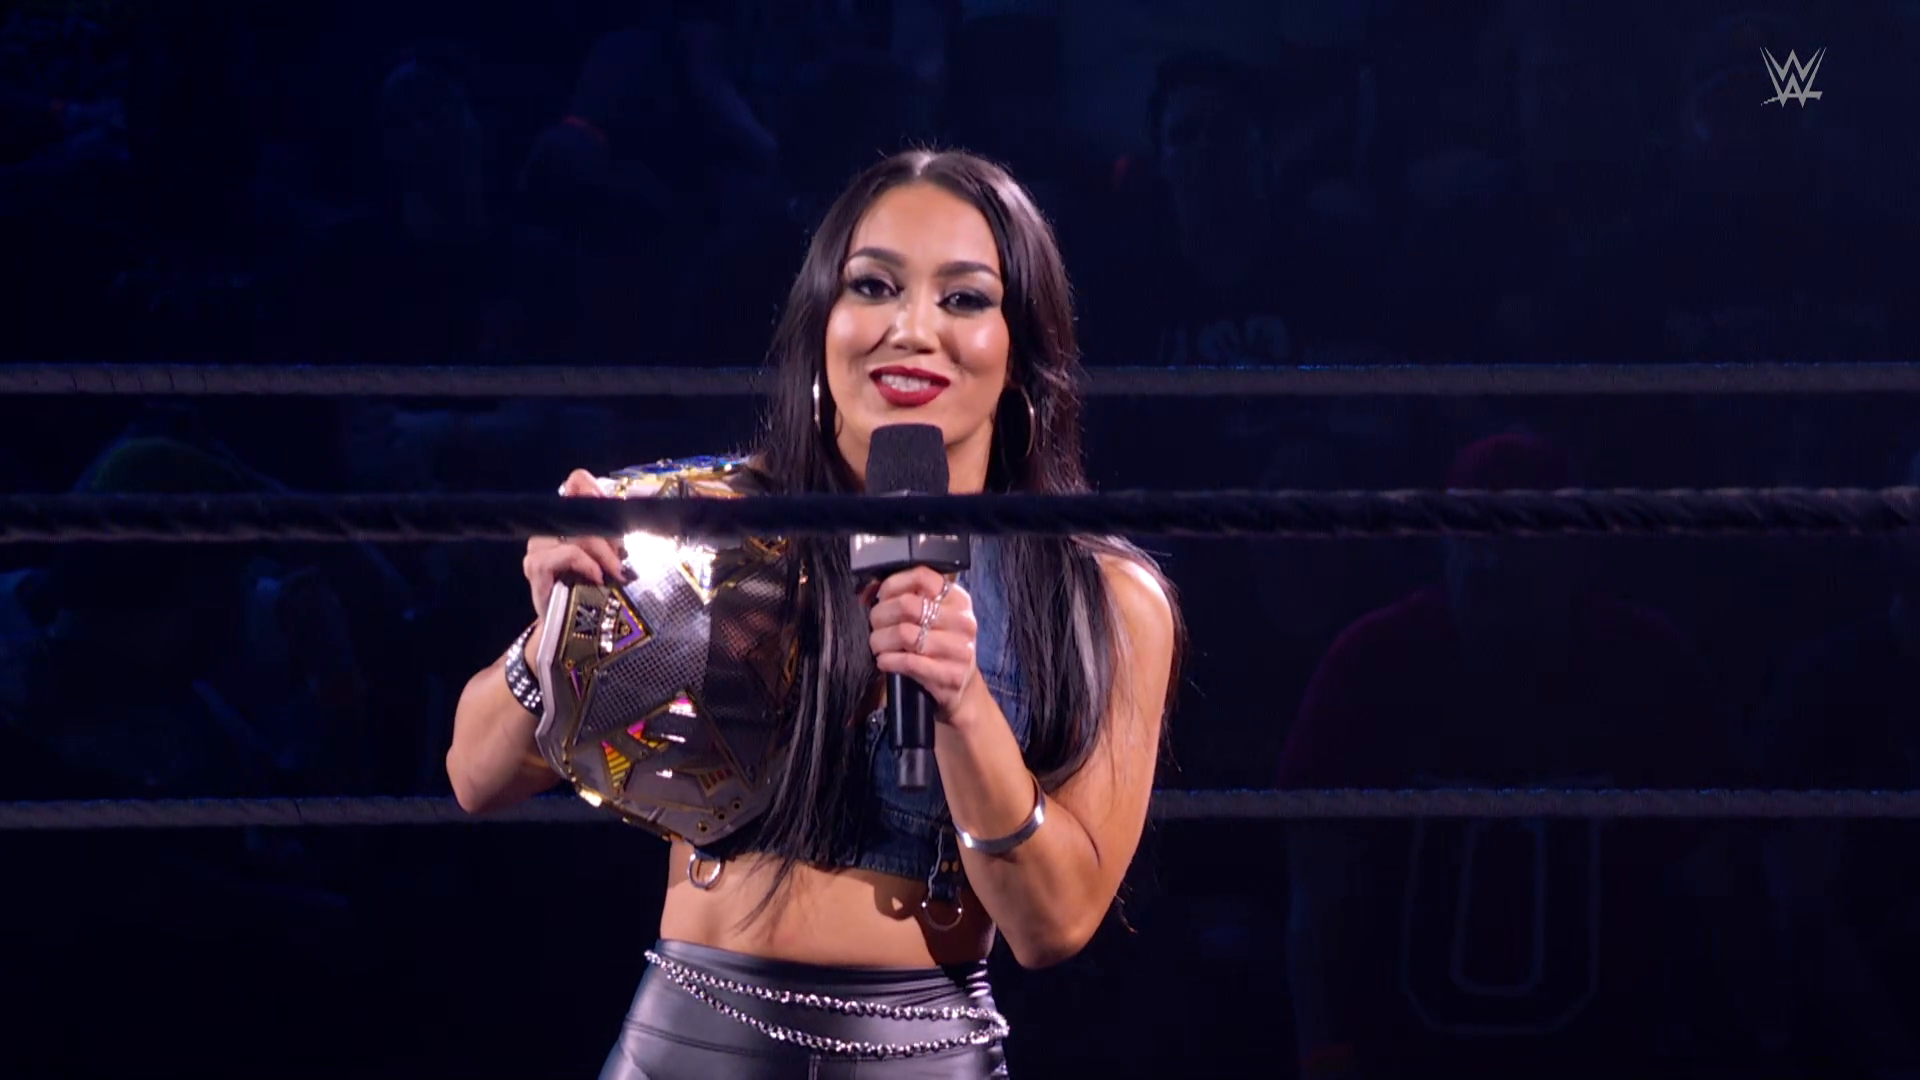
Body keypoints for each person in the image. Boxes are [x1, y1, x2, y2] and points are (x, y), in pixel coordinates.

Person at [446, 149, 1181, 1080]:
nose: (912, 329)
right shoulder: (704, 523)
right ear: (822, 321)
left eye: (963, 298)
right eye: (873, 286)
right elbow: (475, 773)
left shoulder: (1100, 599)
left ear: (1020, 347)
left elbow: (1054, 924)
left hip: (923, 1054)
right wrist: (561, 629)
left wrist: (962, 709)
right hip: (686, 1046)